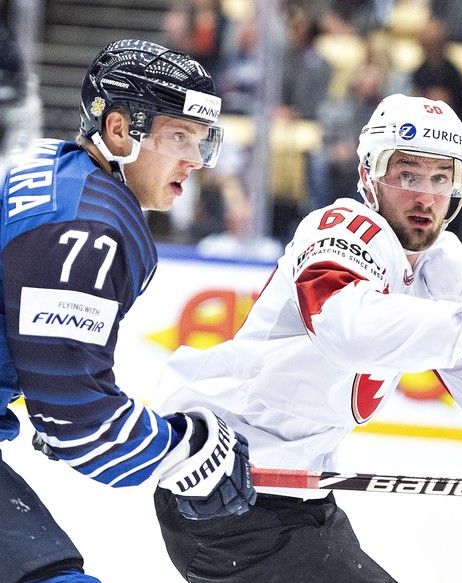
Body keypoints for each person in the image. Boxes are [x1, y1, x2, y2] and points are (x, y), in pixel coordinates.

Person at [151, 93, 462, 582]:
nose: (426, 197)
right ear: (368, 177)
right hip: (222, 494)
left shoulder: (443, 263)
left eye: (442, 178)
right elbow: (346, 326)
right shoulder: (339, 229)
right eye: (408, 174)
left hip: (298, 500)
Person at [0, 38, 255, 583]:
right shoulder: (86, 226)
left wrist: (54, 397)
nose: (194, 158)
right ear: (118, 130)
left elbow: (58, 391)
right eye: (177, 136)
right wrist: (185, 449)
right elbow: (81, 424)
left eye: (201, 140)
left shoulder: (49, 166)